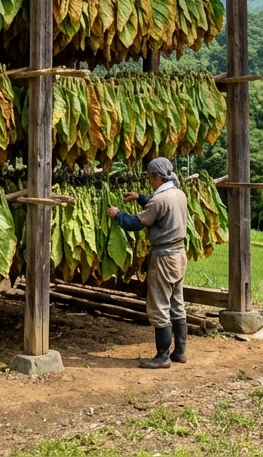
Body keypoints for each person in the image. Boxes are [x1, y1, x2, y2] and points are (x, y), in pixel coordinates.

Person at [106, 156, 188, 368]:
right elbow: (158, 209)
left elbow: (135, 223)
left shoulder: (159, 200)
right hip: (179, 255)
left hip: (164, 258)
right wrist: (139, 198)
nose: (149, 181)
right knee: (177, 304)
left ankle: (162, 356)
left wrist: (117, 214)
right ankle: (180, 352)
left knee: (159, 306)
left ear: (155, 176)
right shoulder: (178, 194)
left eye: (150, 177)